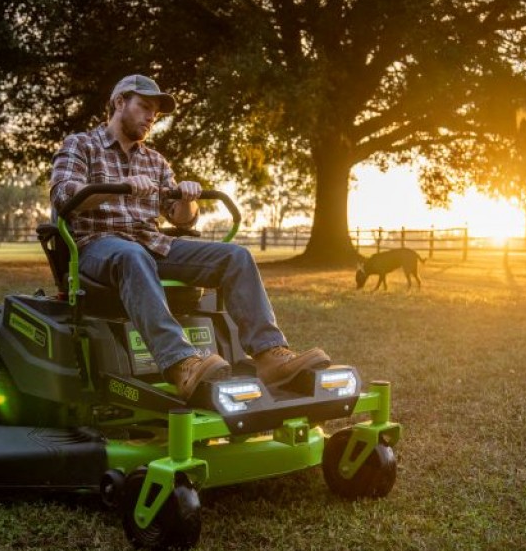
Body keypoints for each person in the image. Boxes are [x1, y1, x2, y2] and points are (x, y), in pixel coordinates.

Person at [49, 74, 330, 401]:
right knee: (131, 255)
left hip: (151, 244)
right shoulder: (81, 145)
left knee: (235, 257)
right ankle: (180, 363)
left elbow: (182, 218)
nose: (151, 116)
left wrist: (186, 199)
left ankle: (269, 355)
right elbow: (64, 196)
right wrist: (119, 188)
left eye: (155, 112)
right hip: (96, 246)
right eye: (144, 106)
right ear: (119, 102)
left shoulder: (155, 160)